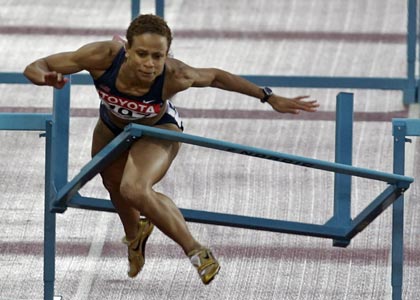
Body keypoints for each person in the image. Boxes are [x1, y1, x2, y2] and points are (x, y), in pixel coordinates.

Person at [24, 14, 319, 285]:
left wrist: (268, 97)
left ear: (167, 56)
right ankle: (134, 236)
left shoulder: (176, 75)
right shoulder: (101, 56)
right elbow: (37, 66)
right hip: (110, 126)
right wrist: (43, 77)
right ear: (126, 48)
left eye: (157, 56)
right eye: (141, 54)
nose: (149, 64)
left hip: (158, 129)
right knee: (113, 184)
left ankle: (196, 251)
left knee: (135, 189)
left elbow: (216, 76)